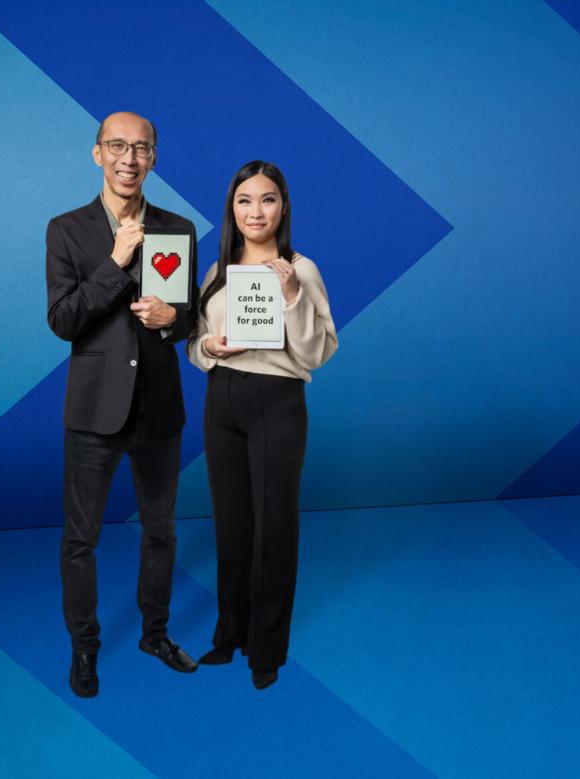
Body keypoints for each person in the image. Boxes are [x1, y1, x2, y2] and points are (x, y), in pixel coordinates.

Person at [45, 111, 199, 698]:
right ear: (97, 153)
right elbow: (63, 321)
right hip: (94, 412)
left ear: (154, 157)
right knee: (80, 539)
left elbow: (186, 317)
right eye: (117, 146)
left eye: (140, 148)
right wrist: (114, 261)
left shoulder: (178, 227)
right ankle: (84, 649)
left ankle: (154, 633)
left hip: (159, 409)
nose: (128, 158)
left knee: (161, 532)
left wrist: (174, 319)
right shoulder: (66, 229)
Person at [188, 160, 337, 690]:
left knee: (273, 527)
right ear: (232, 208)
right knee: (231, 526)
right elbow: (196, 343)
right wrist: (209, 347)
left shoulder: (302, 268)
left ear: (283, 206)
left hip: (278, 398)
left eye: (267, 199)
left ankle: (266, 648)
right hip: (222, 397)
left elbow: (318, 352)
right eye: (245, 200)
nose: (256, 211)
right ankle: (229, 634)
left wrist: (293, 295)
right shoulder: (217, 272)